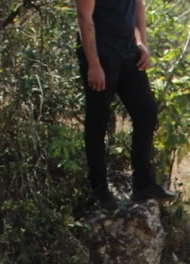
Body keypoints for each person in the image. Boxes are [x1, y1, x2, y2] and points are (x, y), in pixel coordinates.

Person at [75, 0, 177, 211]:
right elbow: (84, 17)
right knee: (98, 120)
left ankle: (143, 184)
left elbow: (137, 5)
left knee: (146, 112)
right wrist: (93, 64)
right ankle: (99, 189)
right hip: (101, 53)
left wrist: (142, 43)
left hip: (128, 50)